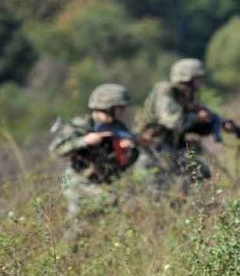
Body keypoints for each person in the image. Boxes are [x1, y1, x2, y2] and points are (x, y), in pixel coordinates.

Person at [49, 83, 138, 227]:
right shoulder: (81, 125)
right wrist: (83, 141)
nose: (123, 112)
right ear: (109, 108)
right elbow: (56, 149)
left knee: (85, 224)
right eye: (120, 108)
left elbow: (125, 163)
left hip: (102, 181)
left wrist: (128, 150)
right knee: (109, 202)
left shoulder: (119, 128)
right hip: (78, 180)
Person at [134, 58, 227, 191]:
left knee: (201, 171)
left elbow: (197, 115)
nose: (201, 83)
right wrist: (197, 118)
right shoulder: (166, 92)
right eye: (198, 79)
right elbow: (173, 122)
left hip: (172, 147)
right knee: (157, 189)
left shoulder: (187, 95)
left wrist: (216, 122)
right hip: (152, 148)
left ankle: (187, 201)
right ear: (187, 79)